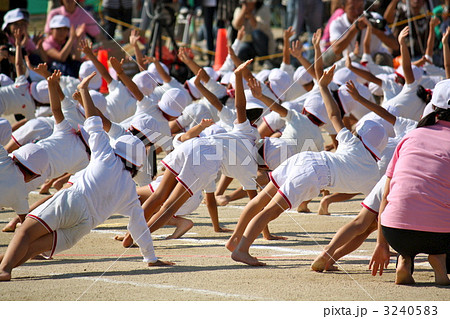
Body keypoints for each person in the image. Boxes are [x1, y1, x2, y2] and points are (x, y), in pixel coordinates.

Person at [0, 71, 173, 282]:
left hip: (72, 200)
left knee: (24, 232)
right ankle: (5, 265)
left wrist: (83, 91)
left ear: (117, 149)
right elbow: (139, 227)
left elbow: (94, 123)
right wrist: (151, 258)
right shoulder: (129, 189)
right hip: (83, 227)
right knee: (32, 247)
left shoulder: (105, 156)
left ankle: (5, 270)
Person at [227, 64, 387, 266]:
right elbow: (368, 213)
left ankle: (235, 240)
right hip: (314, 173)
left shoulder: (352, 142)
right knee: (271, 210)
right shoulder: (373, 174)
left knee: (262, 202)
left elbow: (334, 115)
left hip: (303, 160)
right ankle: (241, 249)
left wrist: (323, 87)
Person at [370, 79, 450, 286]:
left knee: (410, 224)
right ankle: (440, 260)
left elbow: (386, 196)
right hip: (440, 235)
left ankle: (404, 260)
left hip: (394, 231)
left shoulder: (411, 136)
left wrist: (381, 244)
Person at [325, 0, 398, 66]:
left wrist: (375, 31)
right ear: (344, 8)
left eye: (360, 8)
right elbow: (336, 49)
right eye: (352, 9)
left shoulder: (375, 17)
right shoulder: (338, 23)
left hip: (374, 60)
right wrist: (354, 29)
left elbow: (395, 45)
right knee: (327, 56)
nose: (356, 12)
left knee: (381, 58)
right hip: (352, 60)